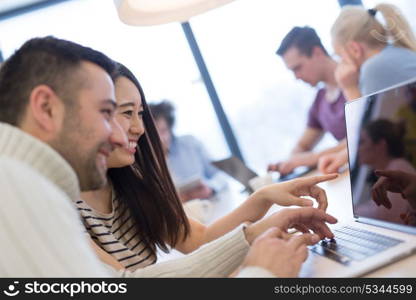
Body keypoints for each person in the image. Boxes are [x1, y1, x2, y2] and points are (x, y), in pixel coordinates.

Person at [0, 36, 337, 277]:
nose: (126, 132)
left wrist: (259, 227)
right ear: (45, 107)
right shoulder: (24, 195)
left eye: (138, 115)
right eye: (109, 112)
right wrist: (260, 274)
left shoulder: (37, 186)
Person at [79, 62, 339, 271]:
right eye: (126, 113)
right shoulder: (63, 211)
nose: (139, 128)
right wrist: (256, 250)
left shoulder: (128, 182)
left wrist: (264, 198)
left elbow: (198, 240)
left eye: (140, 114)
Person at [320, 3, 416, 174]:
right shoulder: (395, 53)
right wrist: (343, 155)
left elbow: (369, 134)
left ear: (354, 49)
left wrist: (348, 88)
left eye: (341, 56)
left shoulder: (373, 68)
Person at [267, 26, 348, 176]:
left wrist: (309, 159)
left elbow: (359, 139)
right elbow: (303, 145)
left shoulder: (355, 80)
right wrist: (289, 161)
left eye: (298, 68)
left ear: (317, 53)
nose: (296, 77)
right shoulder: (320, 101)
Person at [149, 100, 226, 201]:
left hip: (206, 207)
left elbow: (220, 175)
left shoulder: (190, 144)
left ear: (170, 128)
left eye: (163, 131)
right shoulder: (144, 161)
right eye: (153, 133)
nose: (160, 138)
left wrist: (210, 188)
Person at [354, 119, 415, 224]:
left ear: (380, 145)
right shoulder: (394, 166)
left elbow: (384, 215)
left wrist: (351, 212)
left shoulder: (399, 168)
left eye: (362, 142)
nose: (358, 149)